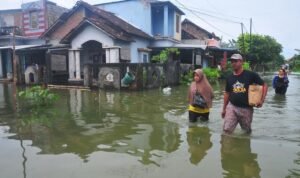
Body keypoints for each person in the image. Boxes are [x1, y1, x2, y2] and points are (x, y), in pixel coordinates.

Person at [221, 54, 268, 134]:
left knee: (246, 132)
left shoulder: (250, 75)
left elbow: (264, 85)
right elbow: (227, 93)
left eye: (235, 61)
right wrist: (224, 108)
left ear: (241, 62)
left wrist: (262, 100)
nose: (233, 63)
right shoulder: (229, 77)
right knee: (226, 130)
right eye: (232, 61)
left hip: (246, 109)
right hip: (232, 106)